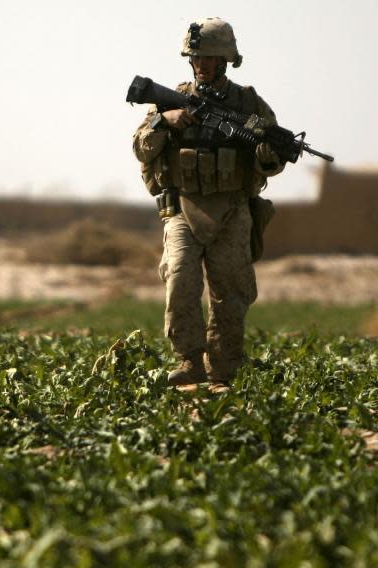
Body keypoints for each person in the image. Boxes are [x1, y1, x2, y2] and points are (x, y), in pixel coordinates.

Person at [131, 18, 285, 388]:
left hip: (232, 208)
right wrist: (164, 123)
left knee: (231, 292)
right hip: (182, 207)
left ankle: (225, 369)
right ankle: (189, 362)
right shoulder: (173, 99)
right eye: (197, 57)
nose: (203, 64)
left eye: (211, 58)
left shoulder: (248, 103)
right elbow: (140, 147)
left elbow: (273, 163)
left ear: (226, 60)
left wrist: (268, 153)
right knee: (181, 280)